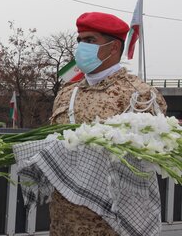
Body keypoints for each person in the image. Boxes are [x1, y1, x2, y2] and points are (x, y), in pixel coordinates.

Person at [49, 12, 167, 235]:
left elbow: (148, 157)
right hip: (64, 221)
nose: (82, 47)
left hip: (113, 225)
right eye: (80, 40)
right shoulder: (66, 94)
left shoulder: (139, 94)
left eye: (90, 40)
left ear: (113, 48)